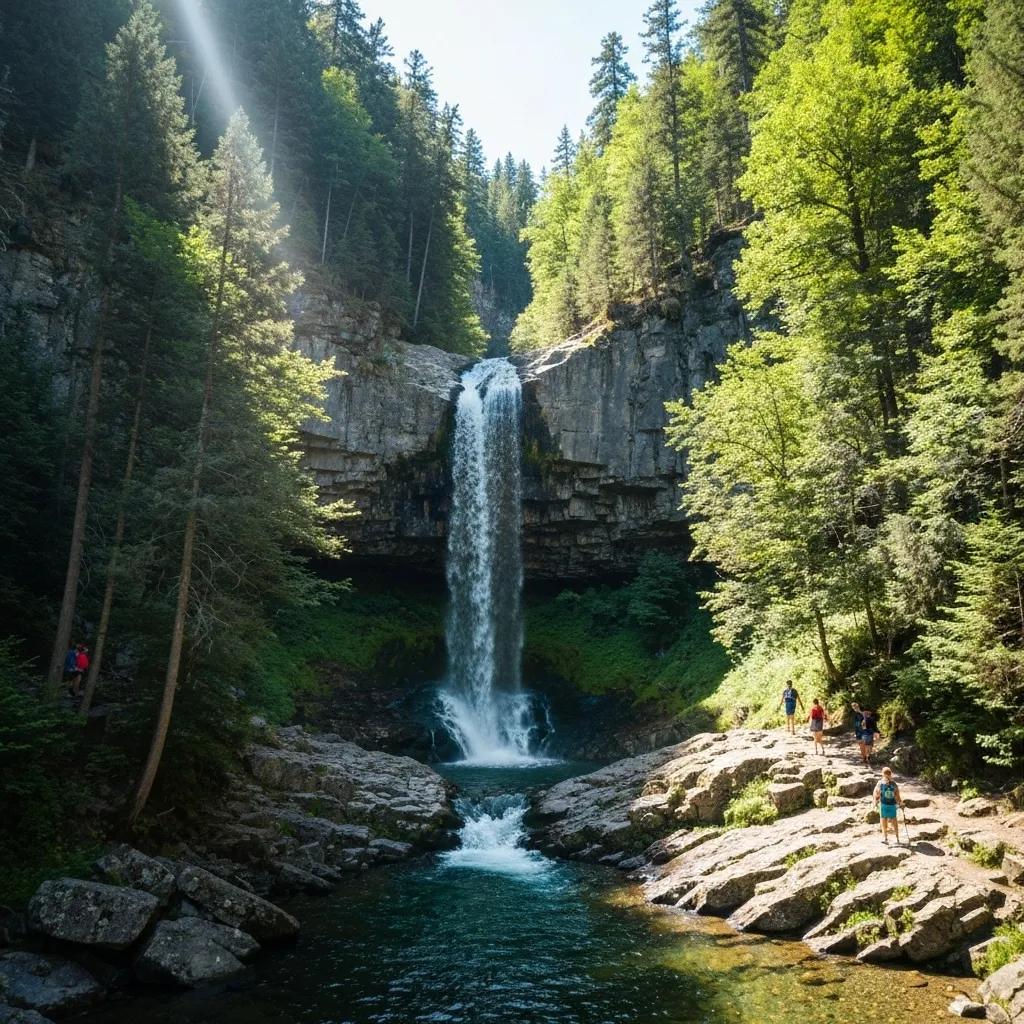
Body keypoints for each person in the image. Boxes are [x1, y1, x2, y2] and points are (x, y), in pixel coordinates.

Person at [873, 767, 904, 844]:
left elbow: (877, 794)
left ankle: (885, 838)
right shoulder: (894, 784)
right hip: (892, 805)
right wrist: (900, 803)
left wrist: (875, 802)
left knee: (884, 821)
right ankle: (897, 838)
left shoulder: (880, 783)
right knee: (894, 821)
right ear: (891, 774)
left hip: (884, 805)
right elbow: (897, 795)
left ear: (882, 774)